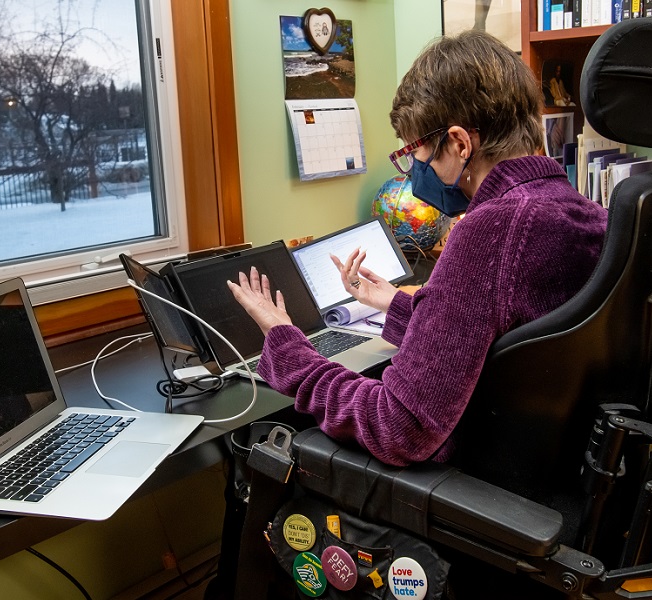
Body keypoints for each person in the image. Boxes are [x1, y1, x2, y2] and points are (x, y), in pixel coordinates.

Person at [228, 30, 608, 467]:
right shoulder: (580, 209)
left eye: (417, 152)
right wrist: (400, 305)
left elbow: (397, 426)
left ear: (460, 143)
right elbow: (505, 342)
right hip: (557, 467)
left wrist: (289, 349)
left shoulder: (492, 230)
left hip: (481, 481)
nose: (415, 170)